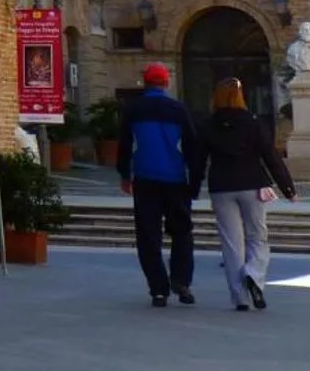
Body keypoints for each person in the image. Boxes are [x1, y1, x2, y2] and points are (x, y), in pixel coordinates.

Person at [189, 78, 295, 311]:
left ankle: (240, 298)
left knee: (231, 243)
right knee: (258, 236)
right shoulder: (253, 122)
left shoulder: (208, 124)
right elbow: (270, 157)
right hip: (252, 184)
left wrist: (193, 189)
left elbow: (198, 160)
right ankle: (254, 274)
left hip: (221, 187)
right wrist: (287, 187)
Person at [116, 63, 200, 307]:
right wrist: (194, 183)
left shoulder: (133, 109)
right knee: (182, 232)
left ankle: (158, 289)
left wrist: (124, 174)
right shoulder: (179, 109)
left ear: (146, 83)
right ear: (166, 83)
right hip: (175, 179)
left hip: (145, 178)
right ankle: (181, 281)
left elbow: (124, 144)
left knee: (148, 235)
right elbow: (192, 148)